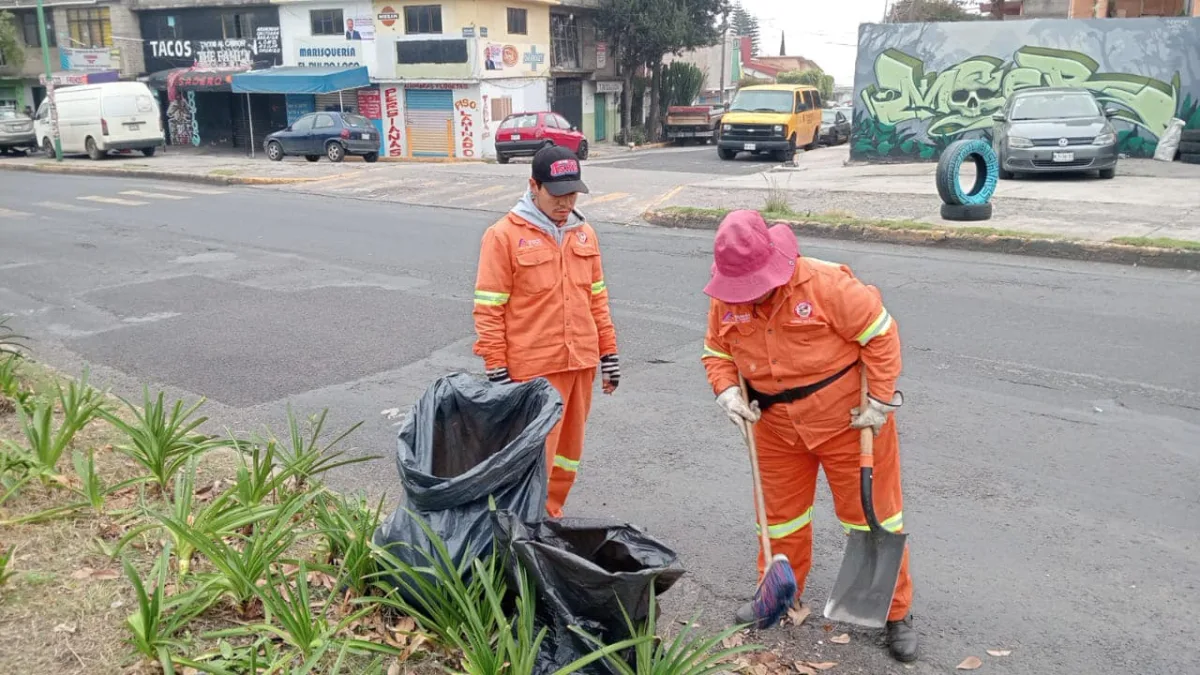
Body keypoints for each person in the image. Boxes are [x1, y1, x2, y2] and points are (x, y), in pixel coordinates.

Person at [699, 210, 918, 663]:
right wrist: (725, 392)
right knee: (779, 521)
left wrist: (879, 400)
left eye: (758, 285)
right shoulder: (726, 297)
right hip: (775, 427)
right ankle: (778, 594)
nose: (752, 297)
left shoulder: (826, 285)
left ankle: (896, 611)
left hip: (849, 423)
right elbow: (716, 350)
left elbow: (880, 334)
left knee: (873, 518)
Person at [472, 145, 620, 518]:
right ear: (533, 186)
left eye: (572, 193)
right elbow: (489, 308)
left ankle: (550, 517)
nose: (565, 202)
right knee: (534, 452)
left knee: (569, 453)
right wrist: (496, 366)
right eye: (556, 193)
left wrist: (609, 353)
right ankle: (522, 523)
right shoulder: (503, 236)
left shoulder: (584, 234)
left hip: (580, 363)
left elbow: (597, 299)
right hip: (534, 369)